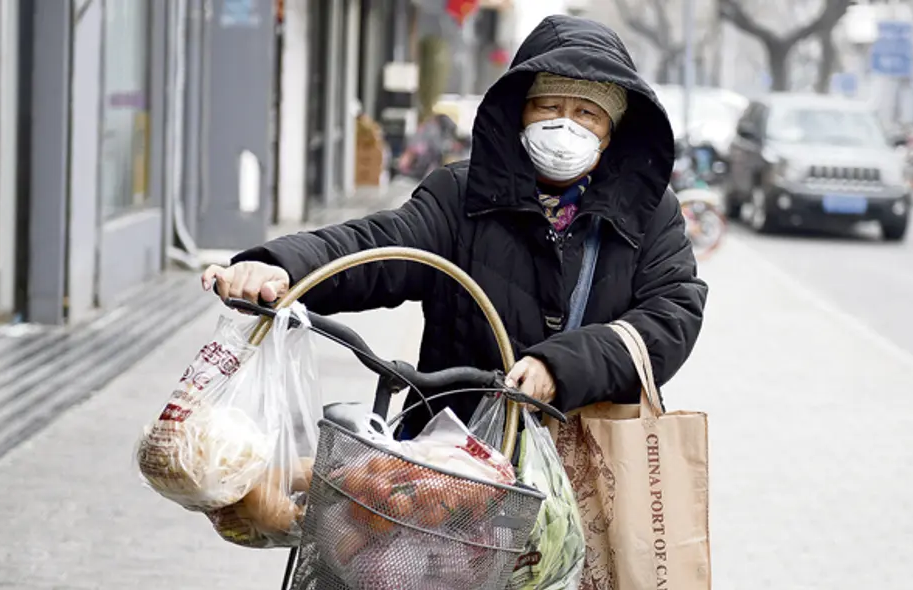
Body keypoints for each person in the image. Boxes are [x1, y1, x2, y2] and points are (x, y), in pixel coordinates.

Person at [202, 15, 708, 438]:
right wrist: (279, 266)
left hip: (586, 461)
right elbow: (380, 247)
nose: (565, 124)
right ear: (520, 114)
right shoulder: (460, 194)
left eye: (586, 114)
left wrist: (562, 368)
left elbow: (672, 315)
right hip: (450, 455)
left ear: (611, 130)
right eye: (549, 106)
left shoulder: (650, 210)